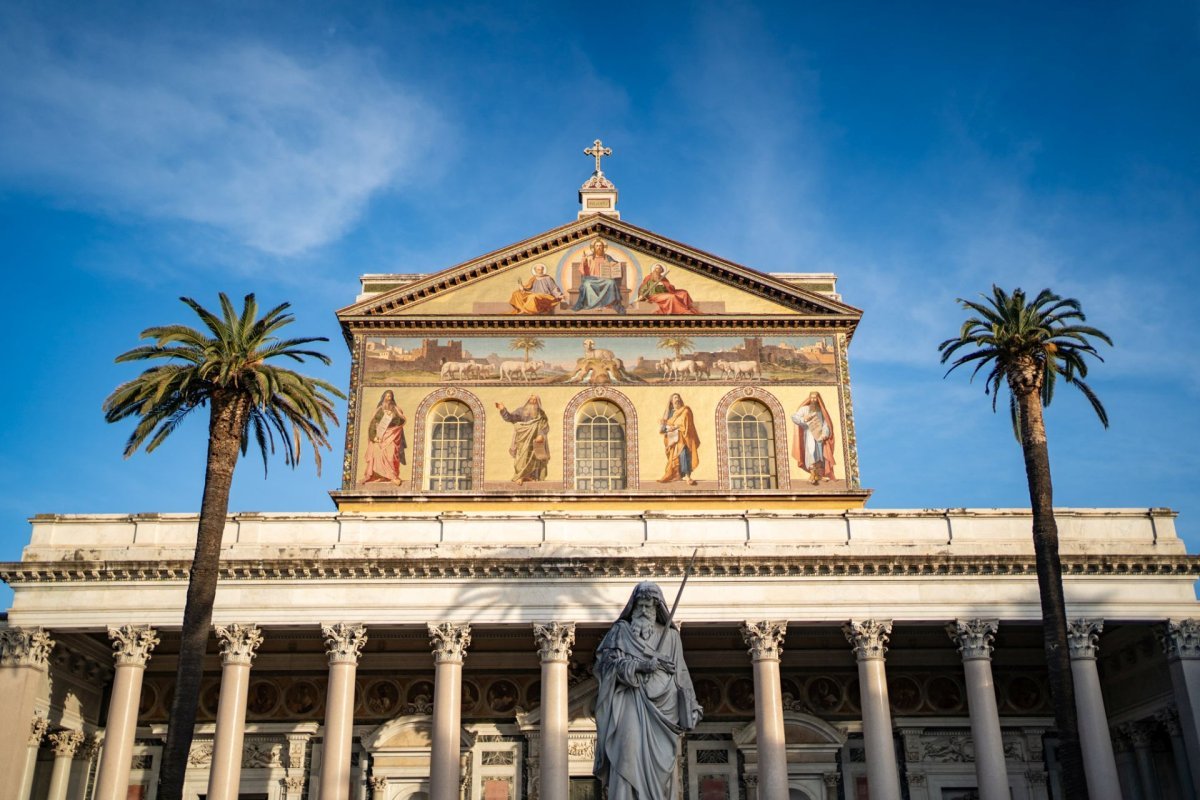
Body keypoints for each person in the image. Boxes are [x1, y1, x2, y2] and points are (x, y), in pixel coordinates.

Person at [593, 582, 702, 800]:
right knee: (627, 753)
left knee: (663, 771)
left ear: (656, 608)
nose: (643, 611)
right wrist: (641, 666)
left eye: (648, 606)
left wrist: (692, 704)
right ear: (632, 607)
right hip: (629, 701)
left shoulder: (671, 637)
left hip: (663, 710)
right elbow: (606, 666)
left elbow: (681, 674)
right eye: (640, 606)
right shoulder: (620, 632)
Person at [496, 395, 550, 484]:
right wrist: (503, 410)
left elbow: (544, 425)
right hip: (523, 438)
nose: (533, 401)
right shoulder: (521, 411)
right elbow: (510, 418)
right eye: (531, 399)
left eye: (535, 400)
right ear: (528, 400)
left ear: (538, 402)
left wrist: (541, 435)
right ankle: (520, 476)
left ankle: (531, 477)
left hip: (535, 440)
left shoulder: (541, 413)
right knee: (522, 457)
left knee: (535, 458)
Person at [791, 391, 836, 485]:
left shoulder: (821, 411)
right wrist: (804, 419)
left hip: (820, 437)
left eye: (815, 398)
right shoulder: (805, 409)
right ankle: (812, 474)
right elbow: (794, 417)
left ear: (818, 399)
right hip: (809, 435)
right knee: (811, 453)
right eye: (811, 397)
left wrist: (825, 433)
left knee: (820, 456)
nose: (813, 399)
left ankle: (819, 475)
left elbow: (826, 424)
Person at [572, 238, 626, 314]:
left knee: (611, 282)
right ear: (594, 248)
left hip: (604, 279)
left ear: (603, 247)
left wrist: (613, 263)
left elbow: (615, 263)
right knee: (586, 285)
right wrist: (583, 261)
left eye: (600, 246)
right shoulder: (589, 257)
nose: (599, 247)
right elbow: (582, 269)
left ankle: (608, 304)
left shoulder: (607, 257)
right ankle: (591, 305)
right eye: (597, 246)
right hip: (591, 279)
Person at [363, 390, 406, 484]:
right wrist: (373, 436)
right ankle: (381, 476)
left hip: (392, 436)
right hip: (379, 437)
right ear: (383, 398)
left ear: (392, 398)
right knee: (377, 455)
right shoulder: (378, 410)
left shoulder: (396, 410)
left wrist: (393, 417)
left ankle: (392, 476)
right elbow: (373, 424)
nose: (388, 398)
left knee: (391, 456)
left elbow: (402, 421)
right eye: (386, 396)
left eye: (390, 396)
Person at [657, 393, 700, 485]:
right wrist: (666, 427)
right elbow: (663, 428)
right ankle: (677, 475)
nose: (677, 399)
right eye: (675, 398)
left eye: (678, 398)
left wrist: (676, 426)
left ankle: (688, 477)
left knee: (683, 454)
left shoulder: (685, 410)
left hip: (684, 437)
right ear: (671, 402)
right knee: (674, 458)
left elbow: (687, 423)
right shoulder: (669, 413)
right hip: (672, 439)